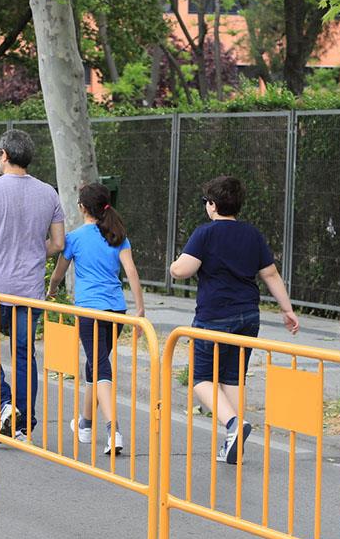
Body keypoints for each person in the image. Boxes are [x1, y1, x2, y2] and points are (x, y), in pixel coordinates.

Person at [169, 175, 299, 465]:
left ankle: (233, 425)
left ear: (213, 205)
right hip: (248, 315)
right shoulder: (252, 234)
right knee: (232, 376)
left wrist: (174, 267)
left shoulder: (205, 233)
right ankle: (234, 441)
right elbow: (270, 275)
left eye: (207, 202)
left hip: (214, 315)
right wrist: (287, 309)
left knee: (200, 377)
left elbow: (184, 269)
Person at [0, 129, 65, 442]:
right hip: (30, 292)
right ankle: (22, 424)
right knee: (24, 353)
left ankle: (4, 404)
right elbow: (58, 243)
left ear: (4, 155)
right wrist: (32, 248)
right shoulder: (49, 193)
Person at [46, 182, 145, 455]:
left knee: (100, 367)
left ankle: (113, 430)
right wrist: (140, 308)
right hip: (116, 310)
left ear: (81, 208)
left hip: (89, 310)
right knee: (95, 365)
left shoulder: (76, 237)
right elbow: (131, 271)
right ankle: (85, 424)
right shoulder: (117, 234)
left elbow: (59, 273)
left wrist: (52, 291)